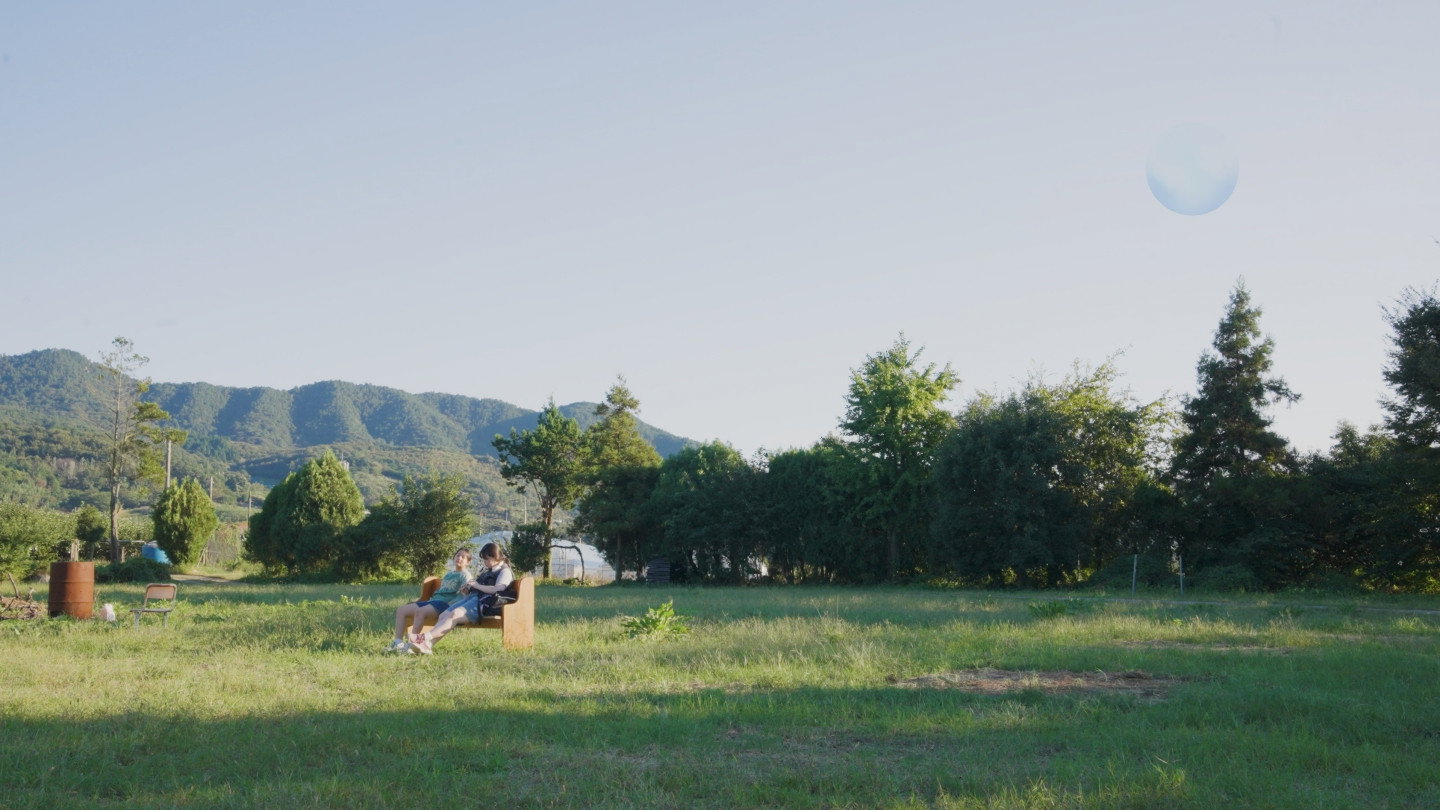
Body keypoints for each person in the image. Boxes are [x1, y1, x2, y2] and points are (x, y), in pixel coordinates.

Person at [407, 541, 513, 655]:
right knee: (444, 614)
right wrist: (467, 590)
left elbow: (498, 589)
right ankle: (428, 645)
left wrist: (476, 585)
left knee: (455, 614)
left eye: (486, 559)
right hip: (473, 599)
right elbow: (479, 588)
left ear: (494, 557)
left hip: (484, 605)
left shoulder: (504, 571)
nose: (484, 562)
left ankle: (423, 638)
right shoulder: (490, 570)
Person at [385, 547, 473, 653]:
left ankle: (411, 644)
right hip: (433, 601)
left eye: (463, 557)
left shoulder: (465, 575)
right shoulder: (449, 574)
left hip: (445, 604)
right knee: (401, 610)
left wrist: (464, 594)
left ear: (468, 562)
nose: (459, 558)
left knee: (420, 612)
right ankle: (398, 643)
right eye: (458, 555)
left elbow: (467, 592)